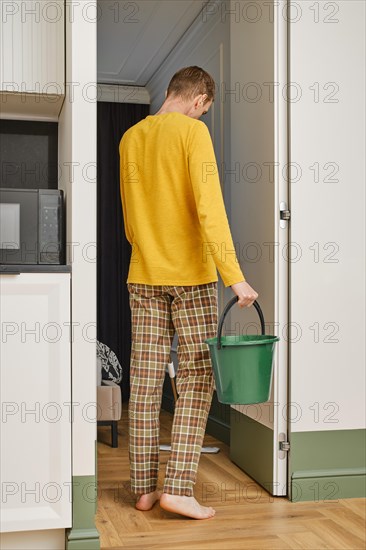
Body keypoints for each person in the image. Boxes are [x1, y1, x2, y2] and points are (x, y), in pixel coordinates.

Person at [119, 66, 258, 520]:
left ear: (169, 91)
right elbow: (210, 212)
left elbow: (129, 219)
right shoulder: (193, 135)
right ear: (199, 100)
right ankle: (177, 488)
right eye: (205, 111)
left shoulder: (130, 138)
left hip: (143, 274)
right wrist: (234, 276)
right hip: (191, 278)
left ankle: (143, 490)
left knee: (143, 381)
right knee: (197, 379)